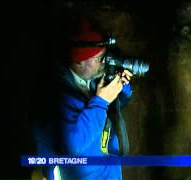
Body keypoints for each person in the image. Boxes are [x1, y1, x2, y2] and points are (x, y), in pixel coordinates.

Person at [32, 19, 132, 180]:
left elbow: (119, 105)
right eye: (100, 58)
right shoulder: (53, 95)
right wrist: (101, 101)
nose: (104, 63)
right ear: (79, 61)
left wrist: (120, 86)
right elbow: (73, 146)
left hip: (107, 171)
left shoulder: (92, 79)